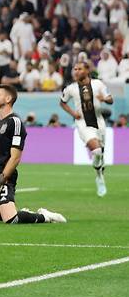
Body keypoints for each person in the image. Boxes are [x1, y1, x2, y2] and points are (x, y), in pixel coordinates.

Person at [0, 85, 66, 224]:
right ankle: (15, 212)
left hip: (2, 176)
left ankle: (45, 216)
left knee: (11, 219)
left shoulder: (15, 122)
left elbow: (15, 157)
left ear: (8, 99)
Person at [59, 61, 113, 197]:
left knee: (101, 152)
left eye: (79, 69)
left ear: (87, 70)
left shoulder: (98, 84)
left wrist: (105, 99)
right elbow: (62, 102)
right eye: (75, 69)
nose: (76, 71)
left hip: (99, 121)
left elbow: (110, 98)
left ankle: (99, 173)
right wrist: (73, 113)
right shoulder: (71, 88)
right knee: (96, 150)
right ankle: (99, 176)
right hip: (83, 123)